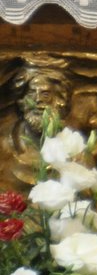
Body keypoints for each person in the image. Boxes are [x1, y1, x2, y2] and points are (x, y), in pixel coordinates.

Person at [0, 63, 74, 191]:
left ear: (59, 101)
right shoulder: (4, 144)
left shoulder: (75, 148)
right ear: (22, 101)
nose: (38, 100)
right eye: (31, 94)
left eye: (45, 94)